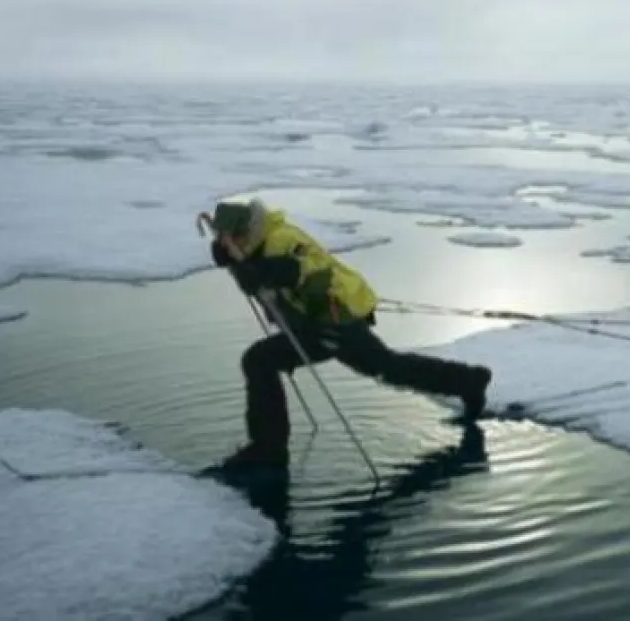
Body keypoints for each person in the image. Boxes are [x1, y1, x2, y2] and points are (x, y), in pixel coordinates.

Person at [208, 197, 492, 465]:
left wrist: (261, 267)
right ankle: (268, 449)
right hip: (314, 323)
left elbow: (304, 269)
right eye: (223, 240)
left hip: (334, 321)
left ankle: (268, 451)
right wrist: (235, 261)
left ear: (246, 231)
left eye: (231, 239)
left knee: (383, 367)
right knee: (263, 361)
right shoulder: (257, 244)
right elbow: (256, 281)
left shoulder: (281, 239)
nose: (229, 243)